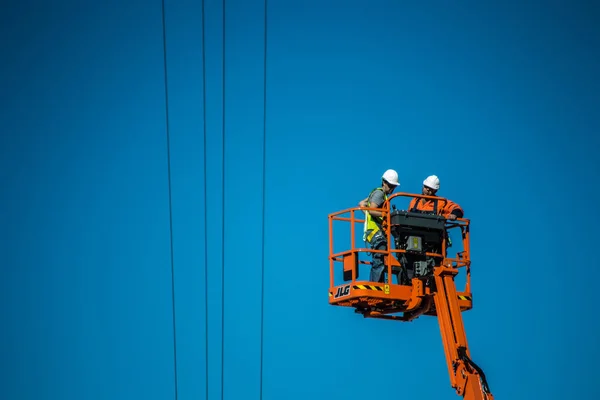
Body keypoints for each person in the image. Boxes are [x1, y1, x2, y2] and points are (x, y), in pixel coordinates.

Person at [358, 169, 400, 283]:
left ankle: (378, 283)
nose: (392, 189)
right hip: (375, 231)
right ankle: (376, 285)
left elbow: (361, 204)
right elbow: (372, 210)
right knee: (380, 256)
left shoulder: (378, 193)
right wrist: (386, 215)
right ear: (384, 182)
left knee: (380, 257)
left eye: (394, 186)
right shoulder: (380, 193)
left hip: (373, 231)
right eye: (390, 185)